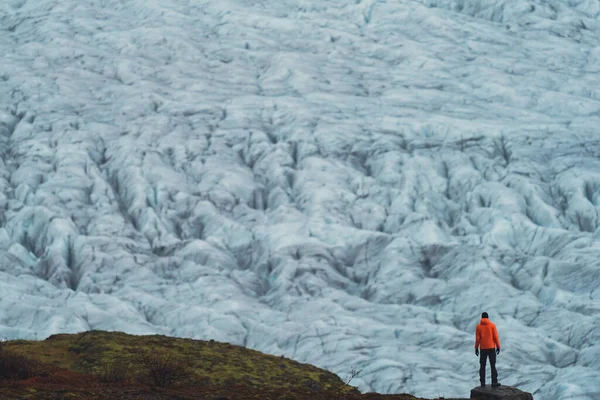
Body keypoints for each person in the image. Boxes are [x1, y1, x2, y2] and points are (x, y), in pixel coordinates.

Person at [475, 312, 501, 387]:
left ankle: (482, 383)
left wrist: (476, 348)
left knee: (482, 366)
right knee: (493, 365)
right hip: (491, 348)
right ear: (488, 317)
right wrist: (498, 346)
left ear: (481, 318)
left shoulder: (478, 327)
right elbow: (495, 337)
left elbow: (477, 339)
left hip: (483, 349)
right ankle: (494, 382)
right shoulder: (492, 325)